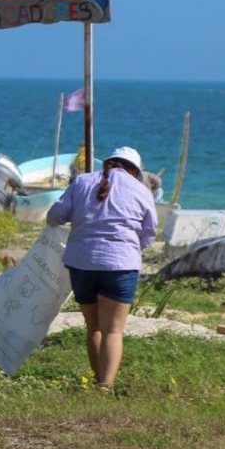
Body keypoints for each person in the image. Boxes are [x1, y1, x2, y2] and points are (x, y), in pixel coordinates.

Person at [46, 146, 157, 390]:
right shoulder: (141, 190)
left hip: (81, 262)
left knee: (93, 326)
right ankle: (105, 388)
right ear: (135, 171)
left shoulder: (82, 182)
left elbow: (55, 215)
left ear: (108, 163)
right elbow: (149, 231)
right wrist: (131, 248)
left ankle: (97, 380)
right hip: (121, 265)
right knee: (113, 331)